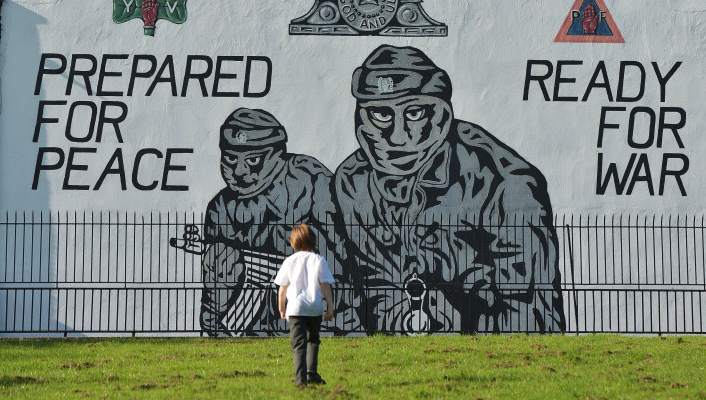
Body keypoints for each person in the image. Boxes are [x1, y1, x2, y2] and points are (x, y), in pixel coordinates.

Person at [333, 44, 565, 334]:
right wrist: (396, 316)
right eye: (380, 115)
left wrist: (462, 320)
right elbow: (367, 287)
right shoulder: (354, 181)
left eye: (414, 113)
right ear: (360, 119)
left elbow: (532, 315)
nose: (397, 136)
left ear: (441, 116)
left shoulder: (506, 183)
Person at [200, 108, 336, 336]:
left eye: (253, 160)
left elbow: (343, 265)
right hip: (249, 334)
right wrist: (219, 294)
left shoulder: (310, 183)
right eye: (231, 158)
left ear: (278, 154)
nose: (239, 171)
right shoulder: (221, 207)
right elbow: (213, 319)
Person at [275, 224, 335, 386]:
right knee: (313, 340)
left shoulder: (289, 261)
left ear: (293, 242)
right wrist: (330, 306)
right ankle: (312, 373)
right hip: (314, 307)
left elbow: (282, 288)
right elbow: (325, 285)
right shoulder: (319, 260)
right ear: (312, 240)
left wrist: (282, 308)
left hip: (295, 308)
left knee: (298, 344)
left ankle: (300, 380)